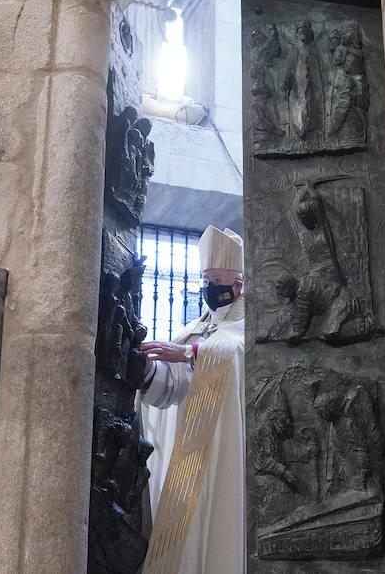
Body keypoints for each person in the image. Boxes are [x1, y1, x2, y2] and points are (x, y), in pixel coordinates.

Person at [139, 226, 246, 574]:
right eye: (205, 279)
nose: (209, 287)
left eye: (217, 279)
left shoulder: (252, 324)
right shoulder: (192, 330)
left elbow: (239, 356)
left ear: (238, 285)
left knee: (220, 521)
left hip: (226, 446)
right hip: (186, 452)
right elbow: (170, 391)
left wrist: (188, 353)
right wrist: (146, 371)